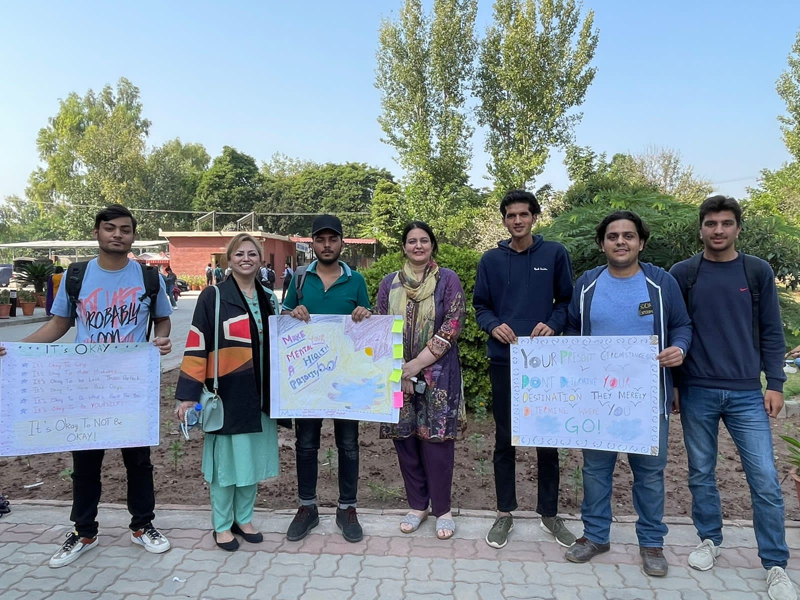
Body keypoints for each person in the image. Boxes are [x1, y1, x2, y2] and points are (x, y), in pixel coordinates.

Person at [0, 204, 173, 568]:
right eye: (110, 228)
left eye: (125, 229)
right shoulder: (76, 276)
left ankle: (143, 525)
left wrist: (161, 339)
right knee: (85, 462)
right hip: (85, 386)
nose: (117, 234)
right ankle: (84, 531)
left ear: (133, 236)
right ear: (97, 232)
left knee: (138, 461)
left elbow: (162, 319)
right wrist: (17, 349)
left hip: (129, 384)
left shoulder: (149, 278)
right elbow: (58, 324)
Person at [670, 196, 796, 600]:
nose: (718, 230)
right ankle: (709, 539)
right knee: (701, 472)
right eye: (711, 224)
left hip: (746, 393)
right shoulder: (684, 274)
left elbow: (772, 330)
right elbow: (675, 330)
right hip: (696, 390)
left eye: (726, 223)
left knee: (764, 479)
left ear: (738, 228)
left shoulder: (756, 271)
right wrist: (674, 385)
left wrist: (775, 383)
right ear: (701, 229)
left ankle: (775, 563)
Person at [563, 210, 692, 578]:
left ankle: (651, 543)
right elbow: (571, 329)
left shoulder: (660, 283)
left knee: (649, 474)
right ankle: (595, 536)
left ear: (641, 242)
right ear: (602, 244)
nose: (621, 241)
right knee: (595, 471)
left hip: (647, 399)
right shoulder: (587, 284)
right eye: (613, 236)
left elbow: (682, 325)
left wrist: (679, 348)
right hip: (596, 399)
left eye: (628, 235)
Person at [473, 189, 576, 549]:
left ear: (534, 217)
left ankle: (549, 514)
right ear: (504, 220)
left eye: (524, 214)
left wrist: (554, 324)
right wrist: (492, 325)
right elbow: (481, 306)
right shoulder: (490, 260)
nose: (517, 221)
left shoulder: (554, 254)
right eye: (511, 215)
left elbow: (566, 300)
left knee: (547, 439)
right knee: (505, 438)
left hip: (544, 361)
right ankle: (504, 513)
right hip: (505, 359)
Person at [175, 234, 280, 552]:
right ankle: (222, 525)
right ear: (229, 259)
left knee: (252, 460)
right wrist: (188, 394)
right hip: (229, 393)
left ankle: (243, 519)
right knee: (226, 465)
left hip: (261, 394)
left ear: (260, 259)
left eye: (252, 253)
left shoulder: (268, 297)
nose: (246, 258)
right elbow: (197, 342)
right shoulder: (214, 296)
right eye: (239, 253)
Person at [281, 214, 372, 543]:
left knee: (348, 444)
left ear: (342, 243)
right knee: (306, 444)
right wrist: (292, 313)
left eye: (333, 239)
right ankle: (307, 507)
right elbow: (283, 320)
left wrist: (365, 314)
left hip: (346, 377)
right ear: (313, 244)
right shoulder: (300, 280)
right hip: (308, 378)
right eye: (320, 239)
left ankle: (347, 508)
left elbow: (368, 326)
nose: (327, 245)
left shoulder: (356, 280)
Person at [374, 221, 466, 540]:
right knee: (405, 439)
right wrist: (401, 370)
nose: (418, 246)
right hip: (397, 376)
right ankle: (417, 506)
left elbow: (452, 325)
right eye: (411, 241)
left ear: (432, 245)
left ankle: (442, 510)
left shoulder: (447, 280)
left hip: (439, 377)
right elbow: (381, 326)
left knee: (437, 442)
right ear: (403, 247)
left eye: (424, 240)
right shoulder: (389, 284)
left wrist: (415, 366)